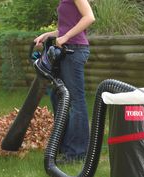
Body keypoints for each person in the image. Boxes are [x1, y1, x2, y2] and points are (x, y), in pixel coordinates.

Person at [34, 0, 95, 161]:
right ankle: (63, 145)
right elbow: (67, 26)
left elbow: (89, 17)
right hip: (66, 50)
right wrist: (49, 35)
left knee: (76, 101)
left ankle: (77, 152)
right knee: (58, 96)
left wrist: (66, 36)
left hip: (73, 51)